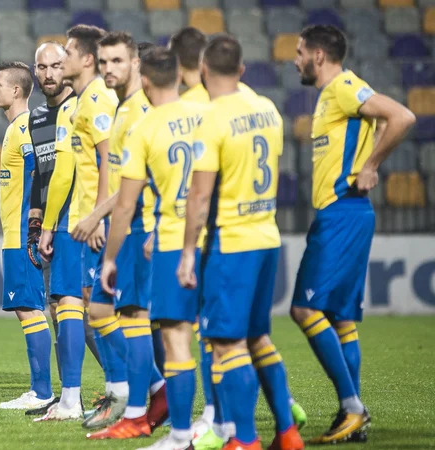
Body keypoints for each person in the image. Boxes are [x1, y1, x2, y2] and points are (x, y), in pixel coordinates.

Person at [176, 35, 304, 450]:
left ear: (204, 72)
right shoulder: (266, 108)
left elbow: (199, 195)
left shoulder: (212, 118)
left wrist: (187, 252)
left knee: (226, 343)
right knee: (258, 338)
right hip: (267, 235)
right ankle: (287, 433)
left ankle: (244, 441)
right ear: (243, 70)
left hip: (231, 243)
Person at [291, 25, 416, 445]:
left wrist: (371, 164)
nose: (295, 59)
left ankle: (353, 408)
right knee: (340, 317)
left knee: (305, 311)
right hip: (344, 213)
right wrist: (371, 152)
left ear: (319, 55)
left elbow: (402, 115)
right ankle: (353, 414)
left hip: (342, 213)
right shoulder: (336, 94)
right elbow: (384, 121)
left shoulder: (345, 86)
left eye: (300, 51)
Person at [99, 46, 206, 448]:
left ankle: (167, 429)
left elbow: (125, 203)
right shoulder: (207, 116)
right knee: (219, 336)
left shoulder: (145, 125)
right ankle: (226, 426)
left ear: (144, 78)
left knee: (164, 331)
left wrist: (110, 256)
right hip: (214, 237)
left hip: (165, 236)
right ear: (180, 75)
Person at [77, 31, 166, 437]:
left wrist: (96, 215)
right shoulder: (123, 109)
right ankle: (153, 390)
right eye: (104, 62)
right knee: (106, 312)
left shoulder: (140, 111)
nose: (109, 69)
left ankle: (140, 409)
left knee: (136, 316)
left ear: (135, 63)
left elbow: (140, 181)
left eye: (117, 61)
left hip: (141, 226)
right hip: (129, 225)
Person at [37, 24, 117, 423]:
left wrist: (99, 214)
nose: (59, 62)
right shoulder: (79, 104)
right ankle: (77, 396)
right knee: (73, 304)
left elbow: (106, 161)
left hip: (87, 219)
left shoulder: (96, 101)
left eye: (65, 53)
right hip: (76, 218)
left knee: (98, 309)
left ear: (86, 59)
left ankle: (135, 392)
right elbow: (65, 171)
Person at [27, 43, 103, 411]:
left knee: (91, 310)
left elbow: (68, 171)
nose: (49, 74)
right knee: (61, 310)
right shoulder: (38, 117)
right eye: (41, 67)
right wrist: (36, 216)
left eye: (56, 65)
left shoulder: (80, 107)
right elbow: (42, 175)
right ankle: (68, 392)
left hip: (79, 223)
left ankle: (125, 387)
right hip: (56, 223)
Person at [0, 61, 54, 411]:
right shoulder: (16, 127)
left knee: (29, 309)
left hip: (22, 233)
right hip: (15, 230)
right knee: (27, 309)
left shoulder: (24, 127)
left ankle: (41, 391)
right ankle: (42, 389)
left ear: (17, 90)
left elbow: (41, 173)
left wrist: (35, 226)